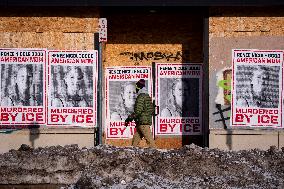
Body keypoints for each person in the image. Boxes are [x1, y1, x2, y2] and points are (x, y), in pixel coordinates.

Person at [125, 79, 155, 148]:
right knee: (135, 142)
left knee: (151, 142)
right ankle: (132, 152)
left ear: (139, 87)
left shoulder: (141, 97)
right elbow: (150, 110)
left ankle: (158, 155)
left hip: (143, 122)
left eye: (136, 87)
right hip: (143, 121)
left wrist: (129, 118)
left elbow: (138, 111)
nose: (136, 89)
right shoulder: (147, 96)